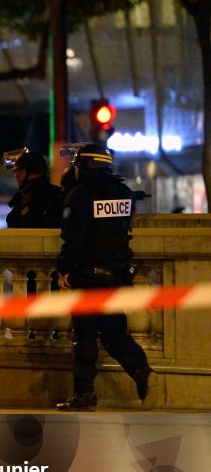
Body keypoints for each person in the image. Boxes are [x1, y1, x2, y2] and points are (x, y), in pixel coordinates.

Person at [54, 143, 154, 411]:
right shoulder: (124, 192)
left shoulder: (79, 195)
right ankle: (139, 367)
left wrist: (65, 269)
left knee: (84, 335)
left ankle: (84, 395)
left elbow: (73, 239)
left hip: (89, 276)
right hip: (119, 273)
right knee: (113, 332)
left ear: (83, 167)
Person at [3, 148, 62, 228]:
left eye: (19, 171)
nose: (16, 176)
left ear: (33, 171)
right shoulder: (24, 197)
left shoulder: (49, 196)